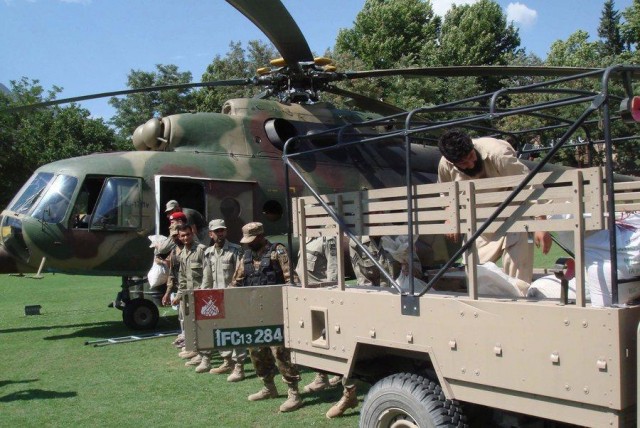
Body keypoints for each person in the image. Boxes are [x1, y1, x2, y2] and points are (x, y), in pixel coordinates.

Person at [437, 129, 552, 284]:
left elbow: (528, 184)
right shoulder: (445, 165)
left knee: (517, 266)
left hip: (511, 211)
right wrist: (451, 217)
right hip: (479, 217)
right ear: (452, 162)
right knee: (475, 273)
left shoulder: (498, 153)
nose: (471, 164)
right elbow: (446, 193)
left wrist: (541, 222)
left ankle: (519, 300)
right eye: (463, 163)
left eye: (471, 156)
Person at [230, 222, 302, 413]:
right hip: (254, 313)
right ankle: (268, 387)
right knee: (256, 351)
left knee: (280, 353)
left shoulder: (278, 252)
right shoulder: (245, 257)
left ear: (261, 236)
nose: (248, 244)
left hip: (276, 312)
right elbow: (236, 283)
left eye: (251, 240)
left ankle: (293, 392)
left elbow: (291, 280)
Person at [201, 219, 246, 382]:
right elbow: (207, 277)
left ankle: (239, 366)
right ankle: (227, 361)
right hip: (215, 299)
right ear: (210, 234)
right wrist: (203, 295)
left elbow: (241, 275)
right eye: (217, 231)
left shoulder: (235, 250)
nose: (220, 234)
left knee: (236, 330)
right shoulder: (208, 253)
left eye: (222, 230)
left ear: (225, 232)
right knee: (220, 330)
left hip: (233, 298)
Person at [171, 224, 209, 372]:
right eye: (183, 235)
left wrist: (205, 293)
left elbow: (207, 274)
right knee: (192, 325)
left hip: (201, 294)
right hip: (188, 295)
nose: (186, 238)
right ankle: (197, 351)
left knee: (203, 327)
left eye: (188, 234)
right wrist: (179, 295)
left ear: (192, 233)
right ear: (179, 237)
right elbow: (182, 277)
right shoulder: (183, 254)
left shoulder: (201, 250)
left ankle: (205, 356)